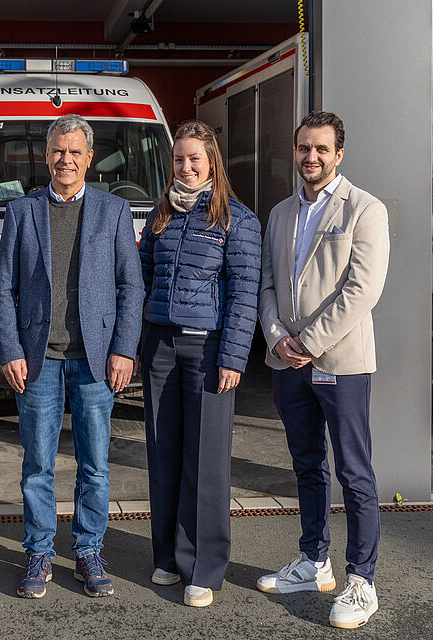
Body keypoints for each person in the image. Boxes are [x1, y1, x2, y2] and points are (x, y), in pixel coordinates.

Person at [0, 114, 144, 599]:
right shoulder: (22, 211)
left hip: (96, 361)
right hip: (38, 360)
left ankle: (87, 549)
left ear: (89, 158)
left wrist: (124, 348)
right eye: (58, 151)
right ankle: (38, 551)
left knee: (94, 464)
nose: (66, 160)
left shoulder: (114, 211)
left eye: (75, 152)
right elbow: (4, 290)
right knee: (37, 464)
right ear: (47, 155)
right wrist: (10, 349)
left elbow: (130, 285)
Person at [257, 111, 390, 629]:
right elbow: (267, 284)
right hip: (288, 360)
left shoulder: (365, 209)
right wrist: (276, 338)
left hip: (341, 362)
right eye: (302, 148)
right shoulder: (281, 212)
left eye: (320, 149)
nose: (310, 157)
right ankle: (314, 561)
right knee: (306, 464)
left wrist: (308, 342)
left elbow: (362, 290)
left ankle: (362, 580)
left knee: (354, 472)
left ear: (339, 154)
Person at [138, 120, 261, 608]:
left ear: (211, 161)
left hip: (208, 349)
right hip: (161, 347)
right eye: (178, 160)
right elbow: (144, 279)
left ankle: (204, 569)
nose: (185, 168)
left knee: (206, 461)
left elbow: (244, 294)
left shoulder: (236, 218)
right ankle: (168, 556)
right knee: (163, 453)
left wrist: (233, 356)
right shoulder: (159, 215)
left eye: (194, 159)